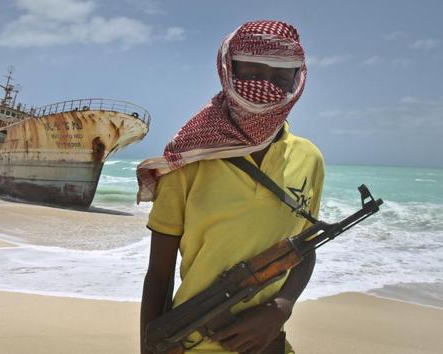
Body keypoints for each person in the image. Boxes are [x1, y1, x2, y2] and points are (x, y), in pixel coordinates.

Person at [138, 20, 325, 354]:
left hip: (269, 345)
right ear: (229, 72)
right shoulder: (188, 160)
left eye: (281, 77)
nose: (266, 87)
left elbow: (305, 247)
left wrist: (281, 306)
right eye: (253, 73)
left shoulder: (309, 158)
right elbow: (158, 275)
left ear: (297, 80)